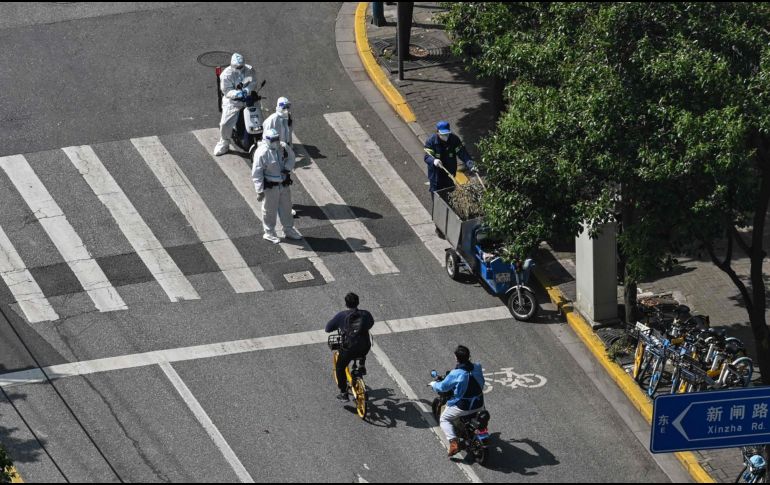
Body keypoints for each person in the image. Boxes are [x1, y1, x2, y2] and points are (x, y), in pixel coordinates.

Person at [431, 345, 485, 456]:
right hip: (479, 403)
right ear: (469, 356)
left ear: (456, 358)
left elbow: (443, 387)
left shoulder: (456, 374)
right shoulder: (478, 367)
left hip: (464, 406)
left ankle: (454, 443)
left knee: (444, 419)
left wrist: (433, 384)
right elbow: (482, 382)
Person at [251, 128, 303, 243]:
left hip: (283, 184)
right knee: (269, 210)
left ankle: (288, 229)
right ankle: (269, 232)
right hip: (270, 187)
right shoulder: (262, 153)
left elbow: (291, 157)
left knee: (287, 207)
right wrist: (259, 191)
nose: (276, 142)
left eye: (277, 139)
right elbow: (257, 173)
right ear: (267, 140)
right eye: (273, 140)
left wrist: (287, 168)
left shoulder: (283, 147)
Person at [325, 292, 375, 402]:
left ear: (346, 304)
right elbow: (371, 324)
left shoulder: (342, 315)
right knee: (362, 346)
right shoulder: (366, 314)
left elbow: (327, 328)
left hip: (349, 349)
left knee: (340, 368)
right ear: (358, 302)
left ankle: (343, 393)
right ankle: (361, 365)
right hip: (365, 346)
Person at [214, 53, 258, 156]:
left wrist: (247, 90)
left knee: (258, 119)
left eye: (241, 66)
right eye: (236, 66)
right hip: (233, 102)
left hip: (248, 99)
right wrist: (237, 94)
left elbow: (253, 82)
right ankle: (224, 143)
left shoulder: (249, 70)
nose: (239, 68)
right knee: (225, 123)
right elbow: (226, 91)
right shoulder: (226, 75)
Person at [262, 97, 297, 216]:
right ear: (278, 107)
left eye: (288, 107)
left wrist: (289, 149)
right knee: (273, 181)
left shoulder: (288, 119)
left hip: (283, 153)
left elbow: (288, 135)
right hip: (273, 154)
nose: (286, 109)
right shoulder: (272, 120)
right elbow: (266, 140)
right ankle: (273, 206)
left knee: (284, 180)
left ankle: (284, 206)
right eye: (284, 107)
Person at [423, 120, 476, 197]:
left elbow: (462, 152)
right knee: (437, 198)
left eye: (447, 134)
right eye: (443, 134)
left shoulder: (454, 140)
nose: (446, 136)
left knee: (450, 195)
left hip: (449, 174)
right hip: (436, 176)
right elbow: (427, 156)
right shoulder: (431, 141)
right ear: (437, 132)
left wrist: (469, 162)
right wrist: (434, 161)